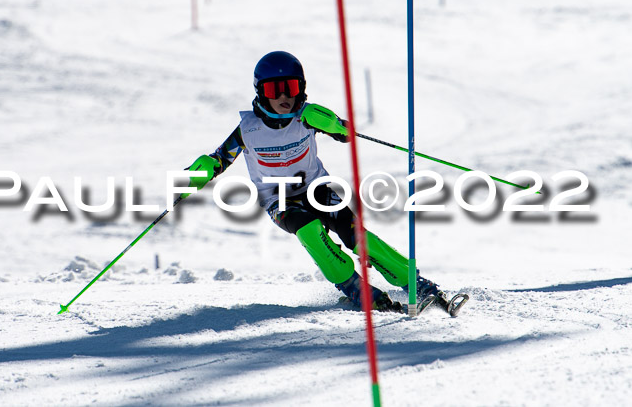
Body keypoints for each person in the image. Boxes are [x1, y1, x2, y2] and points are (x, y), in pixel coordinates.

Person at [184, 51, 452, 313]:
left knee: (356, 237)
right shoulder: (248, 130)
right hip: (278, 200)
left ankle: (414, 281)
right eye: (273, 90)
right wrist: (202, 171)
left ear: (300, 87)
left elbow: (347, 134)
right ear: (260, 92)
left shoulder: (306, 118)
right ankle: (355, 288)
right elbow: (220, 159)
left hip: (318, 190)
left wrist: (332, 122)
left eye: (290, 87)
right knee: (309, 229)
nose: (283, 97)